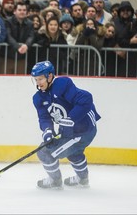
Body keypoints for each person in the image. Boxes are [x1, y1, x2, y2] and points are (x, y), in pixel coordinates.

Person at [30, 60, 100, 189]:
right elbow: (44, 118)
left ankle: (55, 181)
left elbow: (86, 99)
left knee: (44, 152)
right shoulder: (38, 98)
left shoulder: (63, 84)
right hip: (70, 131)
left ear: (50, 76)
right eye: (36, 79)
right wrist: (48, 131)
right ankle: (83, 179)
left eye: (40, 79)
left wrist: (71, 119)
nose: (38, 83)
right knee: (74, 152)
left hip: (84, 128)